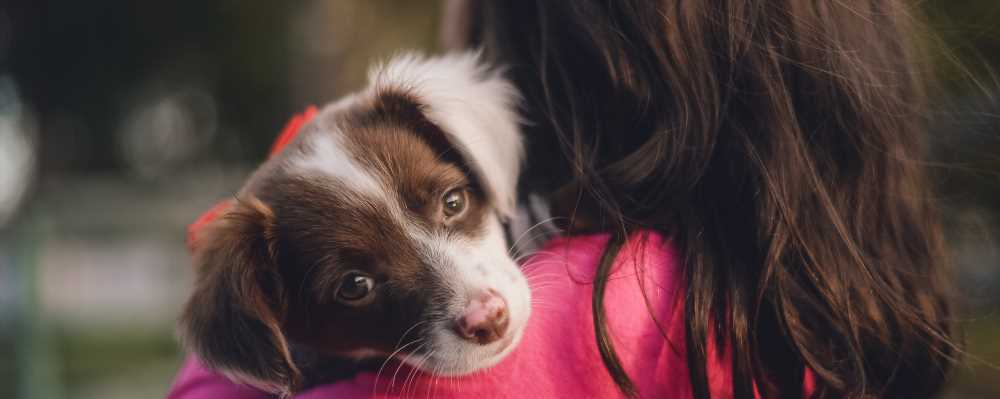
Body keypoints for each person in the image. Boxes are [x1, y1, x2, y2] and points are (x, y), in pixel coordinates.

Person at [168, 0, 958, 397]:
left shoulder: (601, 304)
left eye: (451, 204)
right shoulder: (802, 278)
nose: (477, 305)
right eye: (358, 282)